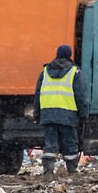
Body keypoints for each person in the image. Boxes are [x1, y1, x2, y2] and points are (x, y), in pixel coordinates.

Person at [34, 44, 88, 176]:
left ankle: (48, 171)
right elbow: (80, 96)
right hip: (67, 114)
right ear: (69, 55)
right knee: (70, 143)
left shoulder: (45, 71)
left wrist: (37, 113)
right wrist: (84, 114)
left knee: (50, 144)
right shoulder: (74, 72)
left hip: (48, 114)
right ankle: (72, 171)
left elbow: (38, 94)